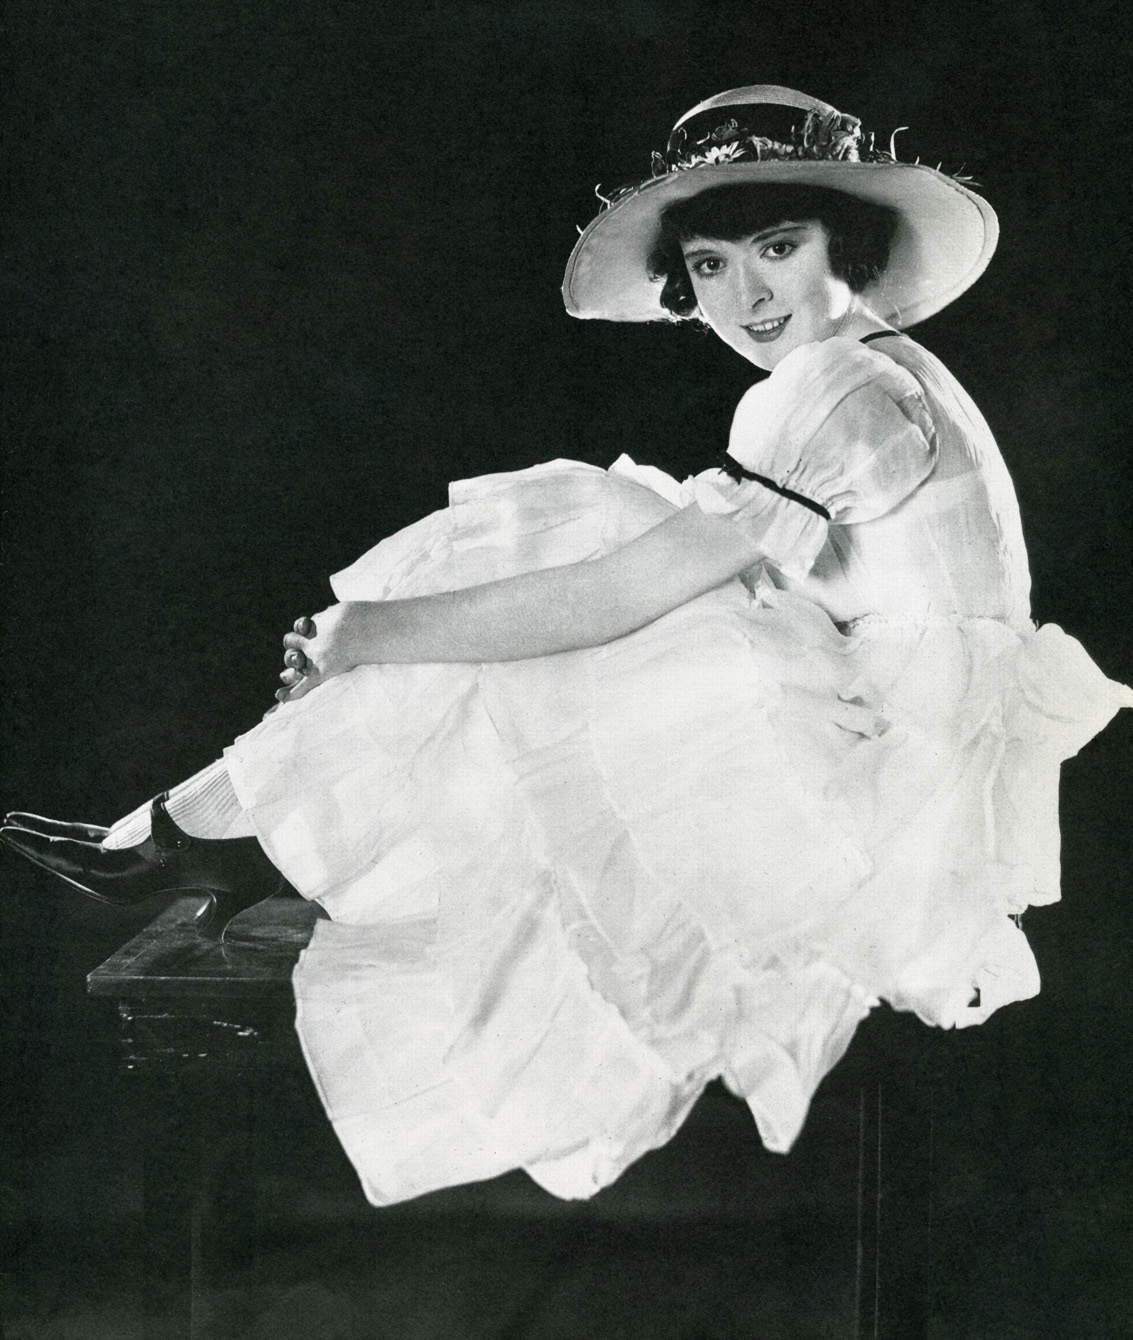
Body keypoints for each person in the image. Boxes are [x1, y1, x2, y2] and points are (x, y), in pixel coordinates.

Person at [4, 85, 1129, 1207]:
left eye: (778, 248)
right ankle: (224, 825)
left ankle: (213, 826)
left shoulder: (833, 388)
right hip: (899, 744)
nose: (744, 295)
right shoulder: (884, 366)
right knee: (586, 552)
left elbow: (611, 597)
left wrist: (366, 632)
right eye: (707, 265)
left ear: (852, 244)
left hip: (889, 797)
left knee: (570, 539)